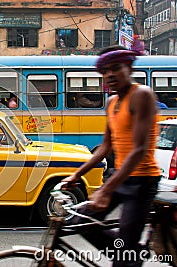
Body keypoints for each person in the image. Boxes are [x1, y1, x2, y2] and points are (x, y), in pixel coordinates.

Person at [62, 45, 160, 267]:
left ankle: (128, 257)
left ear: (129, 67)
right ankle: (130, 256)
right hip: (120, 177)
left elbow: (139, 149)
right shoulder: (111, 102)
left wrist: (105, 189)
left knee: (124, 255)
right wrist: (76, 176)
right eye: (105, 71)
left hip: (142, 181)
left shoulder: (142, 95)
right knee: (80, 222)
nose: (110, 75)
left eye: (115, 68)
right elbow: (106, 146)